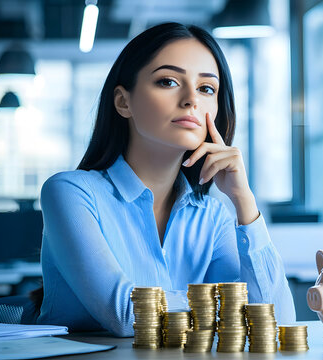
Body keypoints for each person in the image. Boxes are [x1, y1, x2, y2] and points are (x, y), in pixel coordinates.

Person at [34, 22, 296, 336]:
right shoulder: (70, 193)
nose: (191, 100)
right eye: (168, 81)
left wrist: (244, 200)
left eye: (206, 88)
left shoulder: (213, 217)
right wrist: (229, 307)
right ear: (123, 102)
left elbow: (277, 321)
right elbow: (127, 316)